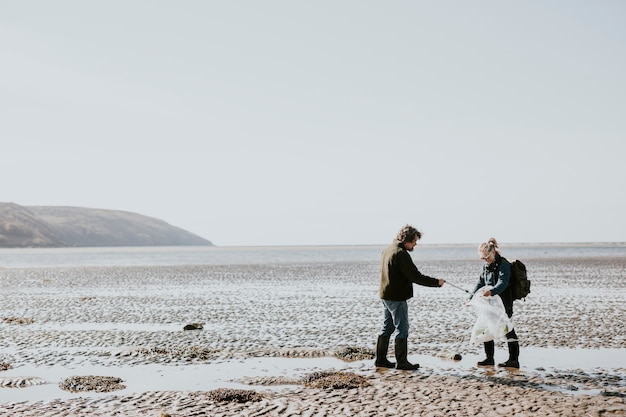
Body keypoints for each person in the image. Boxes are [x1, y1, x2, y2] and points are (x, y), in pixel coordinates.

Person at [375, 225, 445, 370]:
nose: (415, 244)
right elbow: (415, 276)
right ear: (407, 240)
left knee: (387, 327)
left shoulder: (388, 249)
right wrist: (436, 283)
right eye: (414, 241)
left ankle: (381, 360)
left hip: (385, 295)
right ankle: (402, 362)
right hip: (396, 297)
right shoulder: (401, 253)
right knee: (402, 328)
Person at [469, 238, 520, 368]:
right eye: (483, 258)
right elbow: (480, 283)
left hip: (504, 302)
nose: (486, 260)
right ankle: (489, 358)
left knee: (507, 328)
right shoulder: (486, 266)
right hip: (489, 302)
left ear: (493, 252)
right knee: (487, 327)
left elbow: (503, 282)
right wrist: (471, 297)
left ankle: (513, 360)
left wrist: (492, 291)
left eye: (487, 257)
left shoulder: (504, 264)